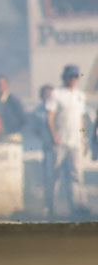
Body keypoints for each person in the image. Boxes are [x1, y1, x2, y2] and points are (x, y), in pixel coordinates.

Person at [45, 64, 91, 218]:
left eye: (76, 77)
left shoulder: (80, 95)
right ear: (64, 77)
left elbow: (81, 120)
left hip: (76, 142)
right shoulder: (56, 94)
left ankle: (77, 206)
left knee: (76, 174)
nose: (73, 80)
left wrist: (84, 139)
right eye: (71, 76)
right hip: (60, 141)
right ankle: (51, 208)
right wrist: (54, 137)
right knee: (54, 174)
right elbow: (49, 117)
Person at [31, 84, 55, 216]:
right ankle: (49, 205)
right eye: (45, 94)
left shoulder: (58, 109)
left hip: (61, 146)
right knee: (49, 177)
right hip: (47, 147)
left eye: (50, 94)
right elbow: (34, 129)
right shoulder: (38, 111)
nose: (48, 97)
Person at [0, 75, 25, 141]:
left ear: (7, 85)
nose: (0, 86)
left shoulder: (13, 100)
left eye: (2, 84)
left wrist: (14, 128)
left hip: (12, 136)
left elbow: (22, 117)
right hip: (1, 136)